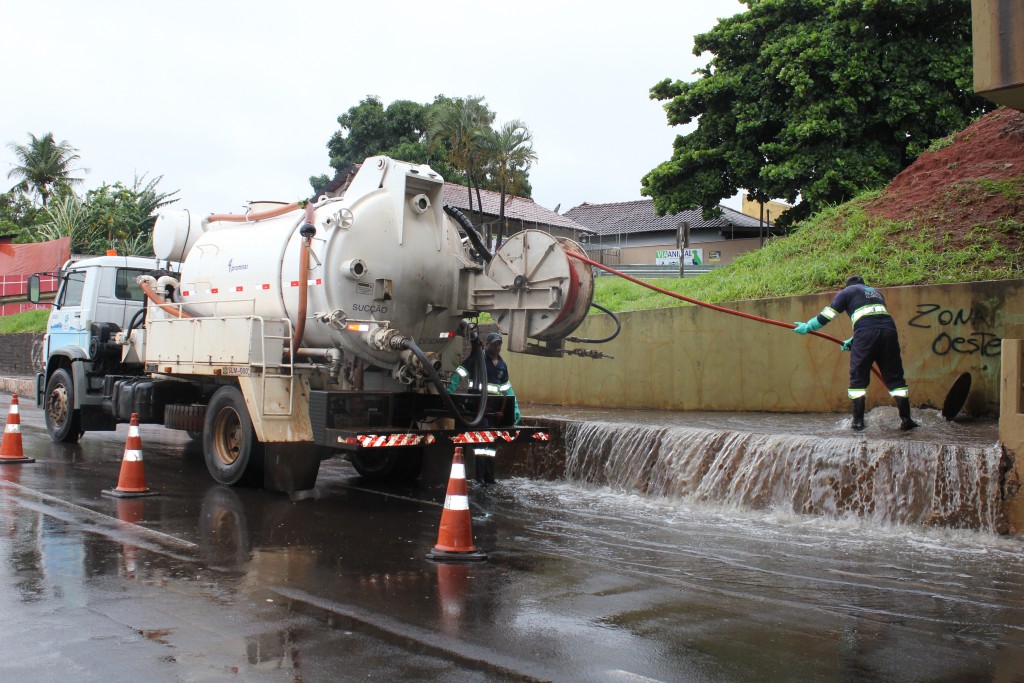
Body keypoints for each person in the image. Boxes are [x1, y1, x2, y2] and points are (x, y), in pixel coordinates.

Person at [793, 275, 918, 431]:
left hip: (866, 334)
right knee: (895, 377)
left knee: (858, 378)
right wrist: (854, 340)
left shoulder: (847, 292)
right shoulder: (876, 292)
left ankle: (858, 423)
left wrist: (808, 326)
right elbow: (875, 320)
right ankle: (907, 420)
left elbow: (828, 315)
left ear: (847, 286)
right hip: (889, 332)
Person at [446, 331, 521, 483]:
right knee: (481, 443)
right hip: (479, 409)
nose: (496, 347)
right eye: (494, 344)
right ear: (487, 344)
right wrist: (449, 393)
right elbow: (460, 372)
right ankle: (480, 478)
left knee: (491, 445)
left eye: (499, 344)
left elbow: (506, 388)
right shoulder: (477, 359)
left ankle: (489, 478)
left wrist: (515, 408)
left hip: (494, 411)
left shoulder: (502, 365)